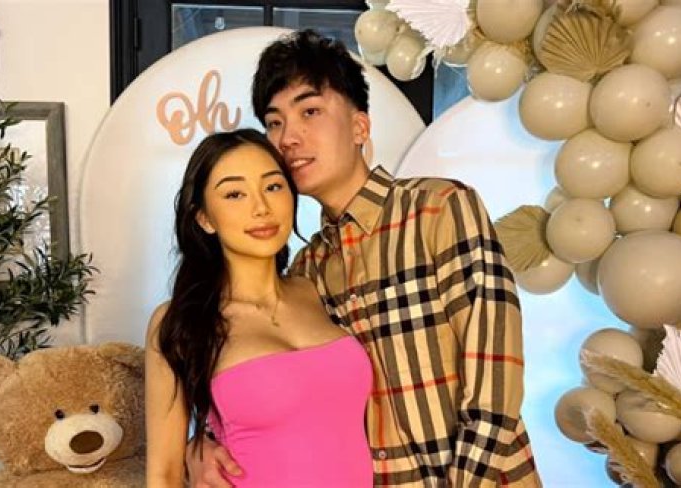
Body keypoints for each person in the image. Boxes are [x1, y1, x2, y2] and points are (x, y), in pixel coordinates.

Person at [189, 29, 541, 487]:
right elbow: (270, 398)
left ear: (360, 127)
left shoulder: (438, 209)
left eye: (310, 111)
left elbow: (494, 386)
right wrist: (200, 443)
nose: (288, 137)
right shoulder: (306, 272)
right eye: (274, 123)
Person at [145, 128, 373, 487]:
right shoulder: (180, 321)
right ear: (204, 218)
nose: (261, 208)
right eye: (234, 194)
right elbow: (164, 473)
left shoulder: (318, 286)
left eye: (273, 186)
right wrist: (195, 446)